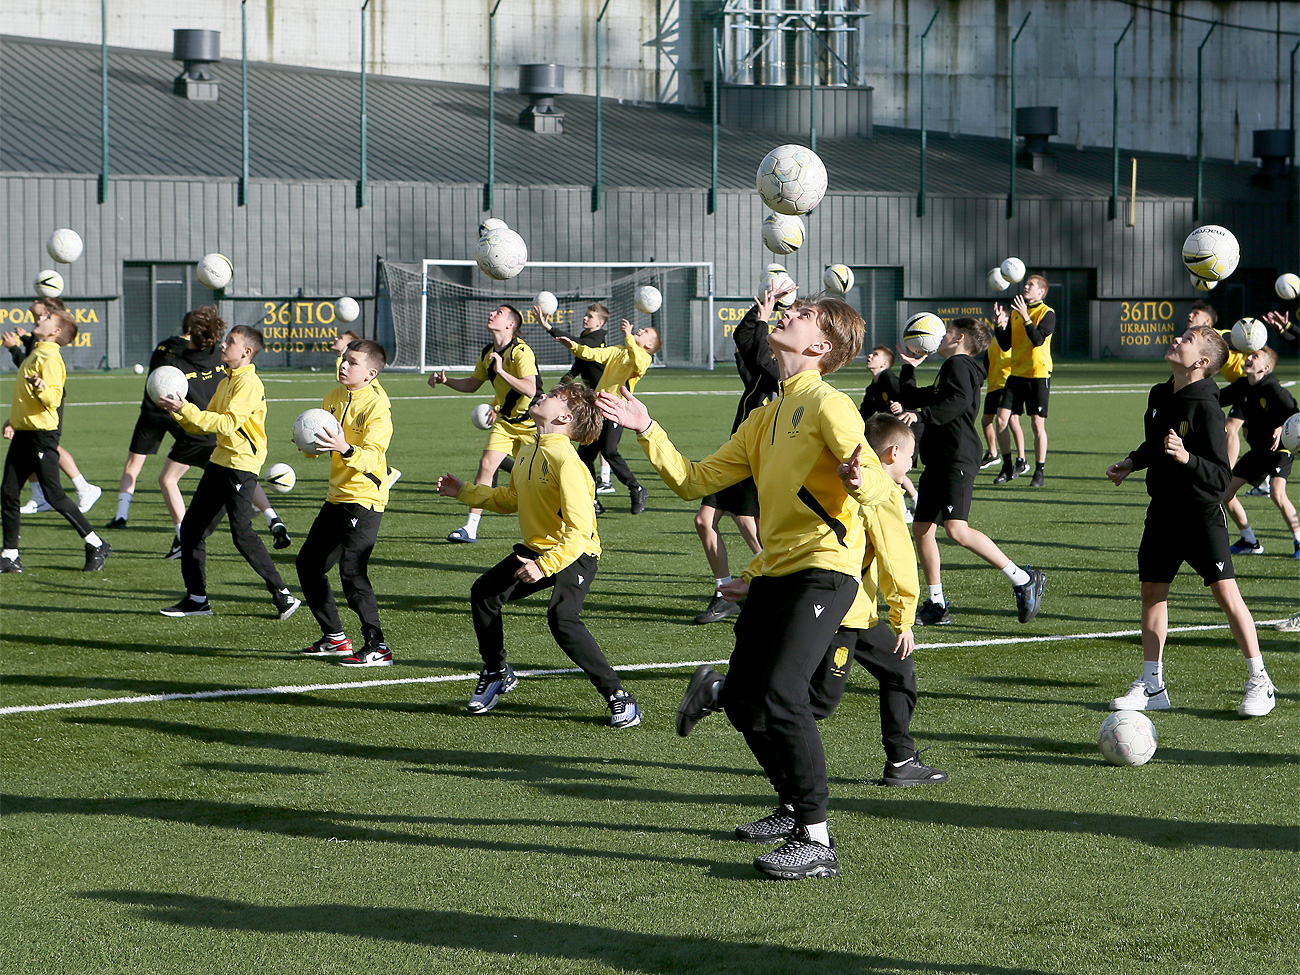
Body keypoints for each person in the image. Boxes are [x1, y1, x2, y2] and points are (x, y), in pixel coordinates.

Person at [598, 288, 895, 881]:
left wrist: (861, 480)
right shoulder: (768, 413)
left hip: (824, 571)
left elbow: (882, 493)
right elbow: (694, 480)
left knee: (783, 694)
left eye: (803, 315)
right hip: (776, 573)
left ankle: (817, 839)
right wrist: (646, 425)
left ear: (820, 345)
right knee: (742, 702)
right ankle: (790, 808)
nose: (788, 315)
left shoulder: (831, 405)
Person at [678, 415, 948, 790]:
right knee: (817, 702)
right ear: (894, 452)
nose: (912, 465)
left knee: (898, 670)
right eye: (910, 456)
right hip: (844, 614)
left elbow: (799, 537)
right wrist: (904, 619)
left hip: (858, 612)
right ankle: (721, 692)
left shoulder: (842, 483)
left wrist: (751, 576)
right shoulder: (882, 490)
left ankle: (901, 760)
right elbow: (897, 558)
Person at [436, 382, 642, 728]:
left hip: (576, 553)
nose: (542, 396)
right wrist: (465, 492)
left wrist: (544, 565)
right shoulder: (530, 449)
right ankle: (497, 672)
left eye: (553, 397)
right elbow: (511, 499)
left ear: (563, 417)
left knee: (563, 617)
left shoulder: (567, 461)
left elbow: (578, 533)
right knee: (484, 593)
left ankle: (619, 697)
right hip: (539, 549)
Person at [1105, 325, 1276, 717]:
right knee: (1152, 593)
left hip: (1200, 516)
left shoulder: (1208, 409)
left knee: (1226, 596)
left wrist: (1187, 459)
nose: (1176, 340)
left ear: (1201, 363)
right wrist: (1132, 462)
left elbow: (1220, 478)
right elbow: (1155, 443)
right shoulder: (1160, 393)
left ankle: (1260, 681)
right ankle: (1152, 686)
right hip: (1162, 512)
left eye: (1186, 340)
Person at [894, 317, 1046, 627]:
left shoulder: (959, 365)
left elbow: (959, 401)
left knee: (957, 530)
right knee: (922, 528)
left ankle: (1022, 578)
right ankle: (936, 603)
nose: (943, 336)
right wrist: (908, 367)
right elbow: (913, 398)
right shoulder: (950, 368)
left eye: (948, 332)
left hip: (957, 458)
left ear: (960, 338)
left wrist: (922, 414)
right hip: (939, 458)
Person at [106, 307, 292, 556]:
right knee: (239, 482)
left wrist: (179, 406)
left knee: (168, 480)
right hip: (217, 434)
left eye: (230, 341)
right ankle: (272, 517)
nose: (226, 345)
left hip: (199, 428)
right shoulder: (220, 360)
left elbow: (161, 379)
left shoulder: (176, 361)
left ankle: (181, 537)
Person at [156, 325, 300, 620]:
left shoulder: (248, 384)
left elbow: (226, 424)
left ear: (246, 352)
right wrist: (178, 410)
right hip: (221, 461)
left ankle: (283, 595)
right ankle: (197, 600)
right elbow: (204, 424)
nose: (223, 345)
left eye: (230, 342)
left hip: (240, 466)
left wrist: (186, 409)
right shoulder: (226, 381)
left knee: (242, 533)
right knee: (192, 530)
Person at [297, 340, 395, 667]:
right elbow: (325, 445)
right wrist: (309, 444)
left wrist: (344, 447)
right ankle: (335, 638)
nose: (343, 365)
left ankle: (377, 646)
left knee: (352, 572)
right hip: (337, 495)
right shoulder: (333, 397)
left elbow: (373, 456)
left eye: (352, 362)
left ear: (370, 373)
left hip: (364, 498)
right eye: (343, 359)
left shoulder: (377, 406)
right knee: (309, 565)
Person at [1, 305, 111, 573]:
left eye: (48, 318)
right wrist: (13, 421)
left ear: (56, 332)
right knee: (8, 492)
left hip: (41, 437)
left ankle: (96, 543)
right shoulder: (36, 353)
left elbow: (53, 398)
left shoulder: (50, 358)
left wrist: (42, 387)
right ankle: (10, 555)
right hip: (25, 433)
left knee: (54, 494)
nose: (42, 318)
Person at [692, 296, 777, 624]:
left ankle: (776, 585)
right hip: (732, 458)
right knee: (704, 521)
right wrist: (760, 309)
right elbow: (744, 339)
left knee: (750, 528)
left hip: (753, 462)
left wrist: (766, 320)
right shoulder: (760, 373)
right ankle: (724, 592)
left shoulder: (784, 376)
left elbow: (757, 350)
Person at [427, 305, 537, 543]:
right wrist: (446, 381)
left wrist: (501, 370)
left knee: (539, 476)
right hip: (506, 423)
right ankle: (471, 527)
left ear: (510, 325)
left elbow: (531, 388)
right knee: (487, 464)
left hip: (533, 424)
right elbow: (472, 384)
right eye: (492, 311)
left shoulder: (521, 351)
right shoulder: (488, 352)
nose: (491, 313)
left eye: (498, 312)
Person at [3, 297, 103, 515]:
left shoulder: (49, 344)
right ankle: (40, 496)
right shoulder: (37, 334)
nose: (39, 316)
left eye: (44, 313)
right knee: (31, 447)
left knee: (49, 446)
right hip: (34, 400)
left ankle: (84, 488)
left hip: (47, 398)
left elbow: (30, 369)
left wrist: (14, 348)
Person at [554, 318, 658, 515]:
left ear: (649, 345)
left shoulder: (644, 357)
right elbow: (593, 354)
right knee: (584, 456)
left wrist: (628, 336)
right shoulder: (617, 350)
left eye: (644, 331)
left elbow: (638, 363)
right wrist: (574, 347)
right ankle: (593, 500)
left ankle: (636, 488)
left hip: (617, 410)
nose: (639, 330)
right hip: (598, 408)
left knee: (609, 450)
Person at [1218, 347, 1300, 559]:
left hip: (1279, 449)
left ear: (1265, 368)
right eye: (1250, 355)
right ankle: (1249, 541)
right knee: (1226, 493)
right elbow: (1217, 397)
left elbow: (1295, 414)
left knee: (1277, 493)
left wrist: (1283, 427)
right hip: (1258, 452)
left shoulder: (1274, 389)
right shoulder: (1243, 386)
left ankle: (1299, 540)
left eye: (1256, 357)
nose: (1249, 358)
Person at [538, 303, 612, 490]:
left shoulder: (598, 338)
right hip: (594, 400)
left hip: (607, 400)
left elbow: (578, 344)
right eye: (586, 315)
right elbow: (577, 368)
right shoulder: (587, 336)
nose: (585, 318)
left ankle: (617, 483)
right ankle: (598, 487)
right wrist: (561, 386)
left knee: (608, 447)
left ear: (600, 322)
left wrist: (549, 327)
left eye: (590, 316)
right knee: (590, 449)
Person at [992, 274, 1054, 486]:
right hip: (1016, 374)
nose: (1026, 287)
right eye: (1026, 284)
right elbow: (1005, 345)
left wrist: (1026, 316)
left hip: (1038, 375)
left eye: (1031, 285)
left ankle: (1039, 471)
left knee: (1037, 425)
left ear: (1041, 292)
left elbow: (1037, 340)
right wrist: (999, 325)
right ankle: (1008, 466)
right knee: (1001, 419)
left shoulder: (1047, 313)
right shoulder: (1018, 314)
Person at [331, 330, 400, 490]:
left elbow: (380, 408)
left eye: (341, 338)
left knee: (365, 452)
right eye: (344, 359)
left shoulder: (373, 399)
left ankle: (384, 474)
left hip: (364, 494)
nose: (344, 365)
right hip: (338, 490)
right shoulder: (338, 393)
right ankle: (386, 472)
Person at [858, 344, 920, 514]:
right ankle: (915, 500)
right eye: (870, 353)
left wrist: (902, 406)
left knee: (891, 469)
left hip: (908, 430)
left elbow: (908, 397)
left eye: (875, 354)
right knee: (889, 467)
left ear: (884, 364)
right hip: (894, 433)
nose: (870, 356)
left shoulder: (889, 378)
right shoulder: (873, 387)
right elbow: (865, 412)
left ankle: (904, 511)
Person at [980, 325, 1024, 474]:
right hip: (993, 386)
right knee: (986, 421)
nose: (1001, 323)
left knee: (1012, 420)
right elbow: (987, 365)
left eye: (1005, 320)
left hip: (1008, 385)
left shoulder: (1013, 341)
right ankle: (993, 454)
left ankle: (1021, 459)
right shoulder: (992, 342)